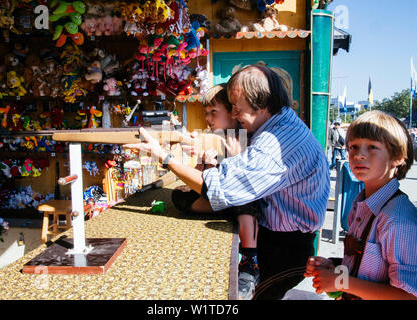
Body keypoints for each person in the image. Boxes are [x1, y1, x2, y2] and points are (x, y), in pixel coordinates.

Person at [124, 64, 330, 300]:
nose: (233, 114)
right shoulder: (273, 127)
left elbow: (219, 188)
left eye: (236, 107)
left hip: (283, 251)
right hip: (278, 242)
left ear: (261, 104)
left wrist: (164, 158)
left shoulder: (276, 143)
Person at [305, 110, 417, 300]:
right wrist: (332, 268)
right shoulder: (362, 205)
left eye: (372, 147)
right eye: (353, 147)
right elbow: (367, 269)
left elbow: (406, 295)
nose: (359, 155)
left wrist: (340, 282)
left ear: (398, 158)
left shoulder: (396, 218)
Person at [170, 83, 261, 300]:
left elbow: (237, 182)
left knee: (244, 199)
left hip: (243, 204)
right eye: (205, 113)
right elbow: (202, 180)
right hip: (221, 198)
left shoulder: (241, 139)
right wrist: (204, 163)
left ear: (233, 112)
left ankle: (250, 260)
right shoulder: (219, 137)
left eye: (214, 112)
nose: (208, 118)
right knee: (178, 195)